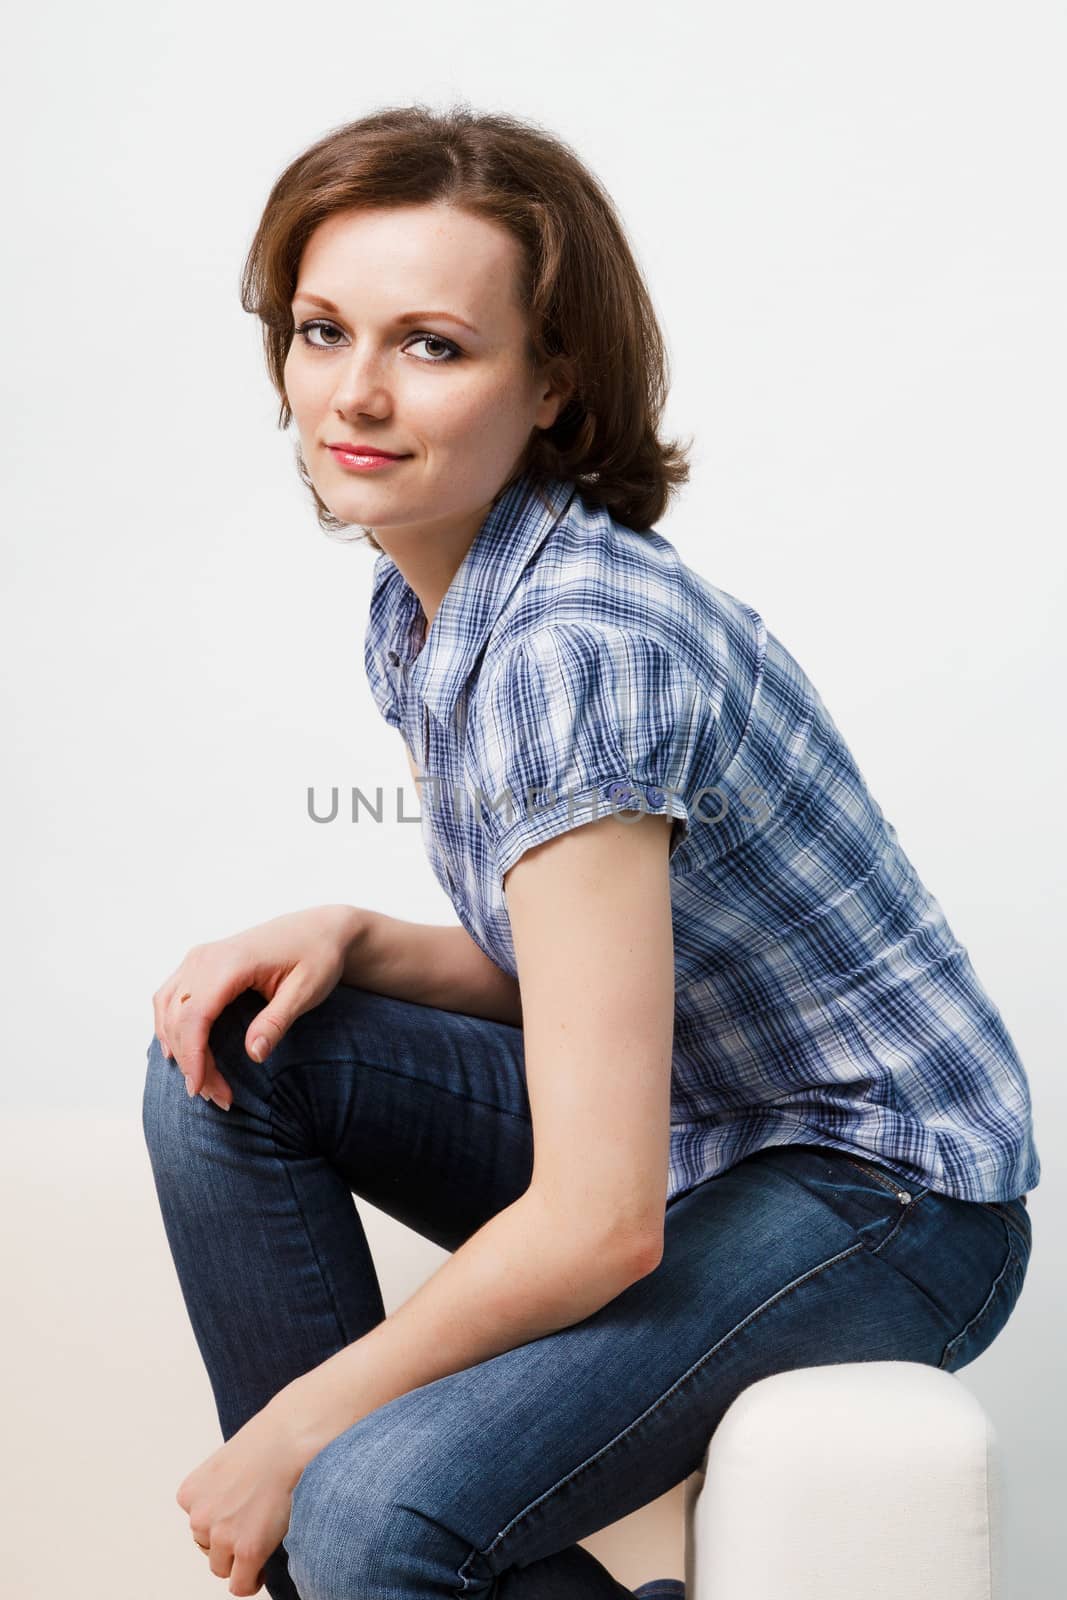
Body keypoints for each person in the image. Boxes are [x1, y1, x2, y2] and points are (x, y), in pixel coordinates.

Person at [142, 103, 1040, 1600]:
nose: (353, 392)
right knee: (235, 1052)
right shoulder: (432, 599)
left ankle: (337, 1550)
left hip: (880, 1195)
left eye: (432, 344)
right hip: (703, 1125)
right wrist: (361, 935)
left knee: (363, 1506)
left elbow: (597, 1219)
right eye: (319, 331)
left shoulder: (575, 647)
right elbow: (593, 983)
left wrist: (297, 1432)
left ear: (553, 382)